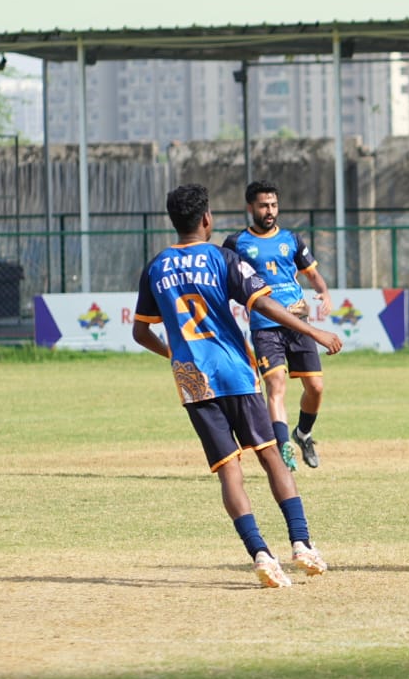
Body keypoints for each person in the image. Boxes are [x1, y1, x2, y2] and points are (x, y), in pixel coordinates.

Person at [132, 184, 344, 588]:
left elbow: (141, 332)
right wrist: (314, 332)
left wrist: (176, 357)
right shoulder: (220, 257)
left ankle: (261, 554)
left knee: (230, 471)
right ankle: (301, 544)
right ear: (207, 219)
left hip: (193, 382)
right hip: (235, 373)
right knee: (270, 458)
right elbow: (264, 305)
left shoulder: (156, 266)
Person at [223, 180, 333, 471]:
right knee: (276, 384)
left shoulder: (292, 239)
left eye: (273, 205)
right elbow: (226, 279)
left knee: (316, 387)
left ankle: (303, 433)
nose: (269, 211)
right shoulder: (236, 243)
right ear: (250, 208)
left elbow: (312, 273)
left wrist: (323, 291)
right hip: (264, 325)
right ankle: (284, 445)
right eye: (263, 205)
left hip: (298, 321)